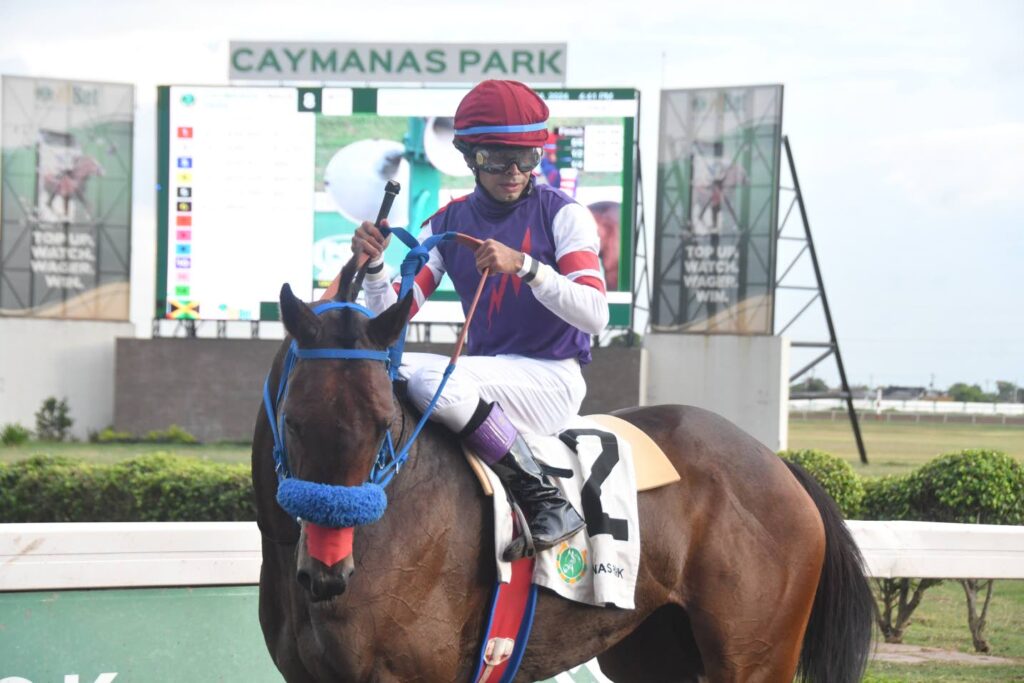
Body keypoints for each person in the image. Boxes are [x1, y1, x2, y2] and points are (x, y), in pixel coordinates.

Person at [352, 79, 609, 556]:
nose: (514, 172)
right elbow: (390, 323)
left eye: (527, 159)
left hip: (551, 380)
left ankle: (544, 500)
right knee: (380, 369)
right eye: (497, 159)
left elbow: (595, 316)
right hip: (488, 380)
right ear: (471, 158)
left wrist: (527, 267)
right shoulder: (446, 222)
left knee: (431, 379)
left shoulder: (564, 215)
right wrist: (374, 267)